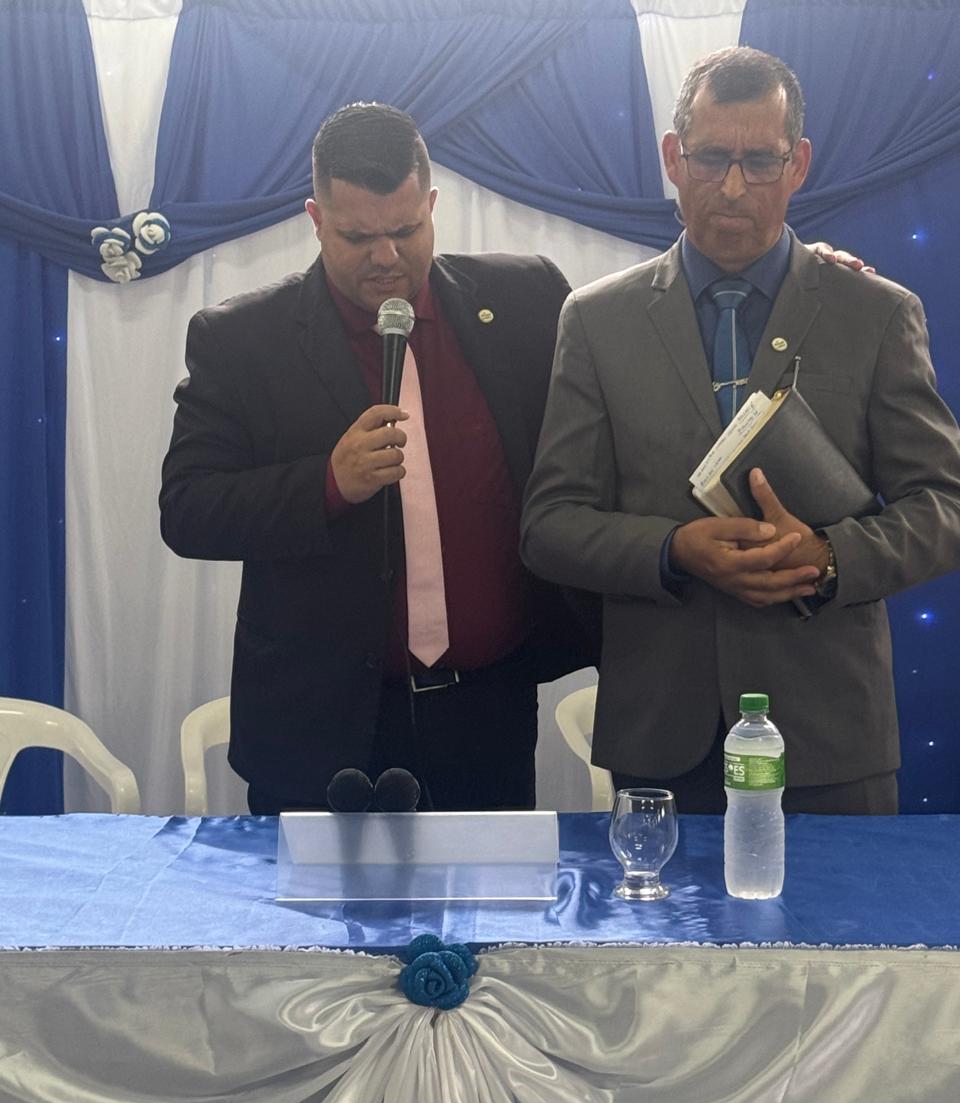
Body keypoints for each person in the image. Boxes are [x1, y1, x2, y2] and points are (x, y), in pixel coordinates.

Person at [521, 46, 960, 815]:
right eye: (710, 158)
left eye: (760, 162)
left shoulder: (877, 313)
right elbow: (549, 526)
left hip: (829, 737)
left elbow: (945, 507)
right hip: (660, 739)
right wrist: (673, 549)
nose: (732, 187)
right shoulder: (595, 320)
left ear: (799, 165)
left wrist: (830, 556)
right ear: (672, 158)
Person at [160, 103, 596, 814]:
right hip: (320, 728)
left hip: (489, 713)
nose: (386, 257)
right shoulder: (242, 339)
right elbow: (186, 510)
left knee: (487, 894)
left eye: (405, 230)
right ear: (316, 219)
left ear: (432, 205)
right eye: (358, 236)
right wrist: (327, 483)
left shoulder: (527, 299)